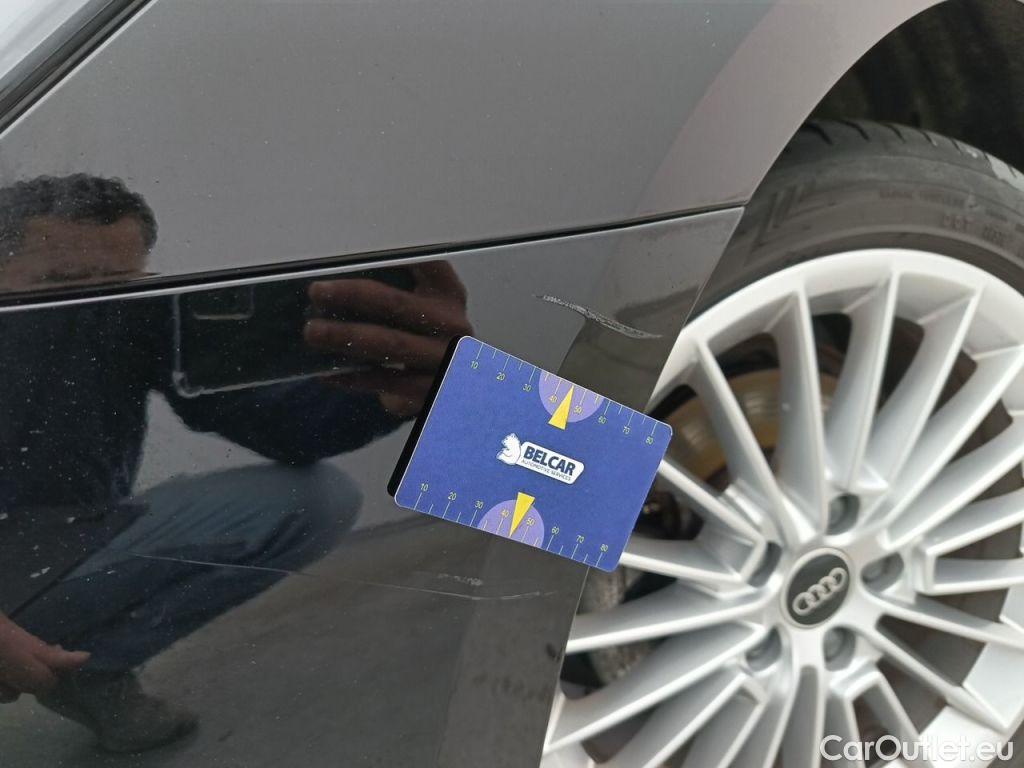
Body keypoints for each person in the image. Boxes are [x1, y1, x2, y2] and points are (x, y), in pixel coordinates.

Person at [0, 175, 471, 753]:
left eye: (118, 283)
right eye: (58, 285)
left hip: (75, 538)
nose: (93, 305)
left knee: (318, 497)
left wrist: (391, 395)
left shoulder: (133, 318)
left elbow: (276, 423)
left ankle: (93, 671)